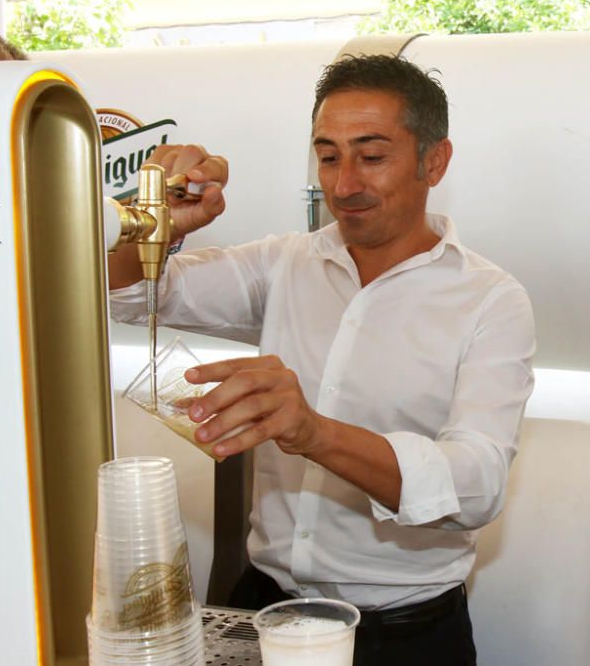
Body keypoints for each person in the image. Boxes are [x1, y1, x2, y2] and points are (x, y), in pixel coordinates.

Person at [108, 55, 536, 666]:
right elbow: (130, 295)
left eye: (372, 154)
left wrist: (313, 432)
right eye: (329, 155)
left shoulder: (491, 300)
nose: (343, 184)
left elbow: (475, 483)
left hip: (403, 636)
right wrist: (152, 224)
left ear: (433, 161)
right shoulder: (287, 262)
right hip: (266, 610)